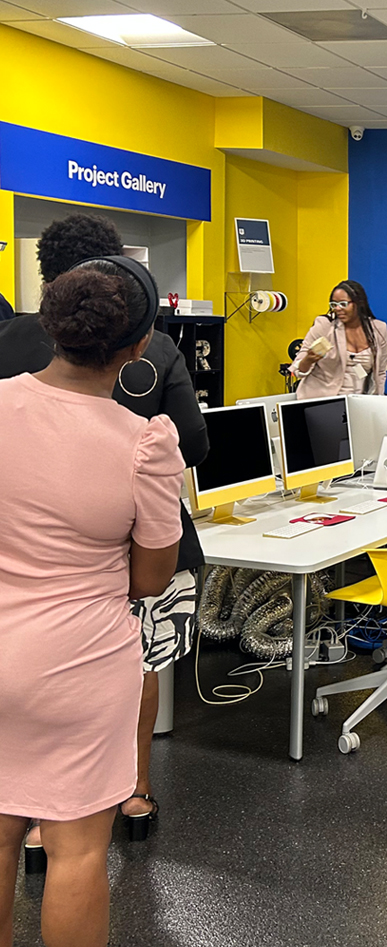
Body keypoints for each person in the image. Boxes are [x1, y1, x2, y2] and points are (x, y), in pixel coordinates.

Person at [0, 215, 208, 859]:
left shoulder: (7, 345)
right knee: (80, 849)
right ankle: (136, 787)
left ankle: (31, 813)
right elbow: (194, 449)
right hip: (97, 612)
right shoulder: (146, 428)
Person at [291, 280, 387, 398]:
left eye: (343, 304)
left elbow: (380, 371)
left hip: (358, 403)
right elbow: (297, 371)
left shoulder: (379, 329)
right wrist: (308, 360)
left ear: (359, 303)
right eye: (334, 304)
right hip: (322, 400)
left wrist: (378, 401)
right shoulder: (324, 326)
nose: (337, 308)